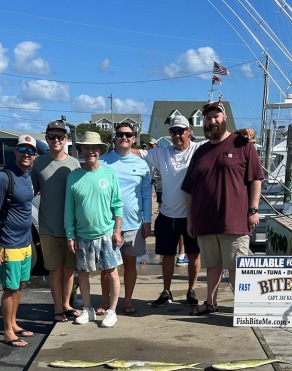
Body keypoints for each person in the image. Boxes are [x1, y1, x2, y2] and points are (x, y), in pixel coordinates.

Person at [181, 101, 263, 314]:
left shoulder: (242, 143)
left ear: (224, 117)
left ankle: (244, 308)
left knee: (237, 267)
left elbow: (256, 178)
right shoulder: (200, 152)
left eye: (216, 116)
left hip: (234, 221)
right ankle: (210, 303)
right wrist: (190, 220)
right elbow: (189, 189)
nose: (212, 121)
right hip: (205, 221)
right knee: (212, 265)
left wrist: (253, 209)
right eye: (208, 118)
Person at [138, 115, 201, 307]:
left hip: (191, 216)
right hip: (167, 215)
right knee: (167, 256)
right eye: (173, 132)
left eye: (181, 131)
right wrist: (116, 148)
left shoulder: (199, 149)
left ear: (189, 131)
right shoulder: (162, 152)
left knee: (193, 255)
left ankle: (191, 289)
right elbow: (137, 153)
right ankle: (166, 291)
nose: (177, 135)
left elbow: (222, 140)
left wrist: (243, 134)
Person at [64, 131, 123, 328]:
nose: (90, 151)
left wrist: (117, 231)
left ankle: (112, 311)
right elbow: (69, 209)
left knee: (112, 273)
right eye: (87, 148)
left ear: (99, 150)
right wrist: (70, 235)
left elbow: (117, 205)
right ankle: (88, 309)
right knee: (83, 274)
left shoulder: (109, 174)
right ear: (81, 150)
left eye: (94, 148)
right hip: (82, 235)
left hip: (106, 234)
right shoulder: (74, 177)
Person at [0, 134, 36, 346]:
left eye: (31, 151)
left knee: (20, 285)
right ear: (15, 151)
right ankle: (8, 331)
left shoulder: (27, 175)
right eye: (22, 149)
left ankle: (14, 323)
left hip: (25, 242)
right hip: (9, 244)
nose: (26, 154)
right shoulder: (4, 178)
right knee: (10, 288)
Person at [30, 119, 81, 322]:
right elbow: (29, 191)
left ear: (65, 138)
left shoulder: (74, 164)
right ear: (47, 138)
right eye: (52, 136)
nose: (56, 140)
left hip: (71, 228)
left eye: (60, 136)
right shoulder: (38, 163)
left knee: (69, 270)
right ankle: (58, 308)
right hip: (48, 227)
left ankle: (67, 304)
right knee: (55, 270)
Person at [99, 122, 152, 314]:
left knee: (130, 264)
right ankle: (104, 301)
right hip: (107, 225)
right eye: (120, 134)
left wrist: (147, 221)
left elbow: (146, 195)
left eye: (128, 135)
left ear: (134, 138)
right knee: (107, 267)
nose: (124, 137)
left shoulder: (142, 165)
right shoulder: (102, 162)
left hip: (133, 225)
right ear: (115, 137)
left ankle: (127, 300)